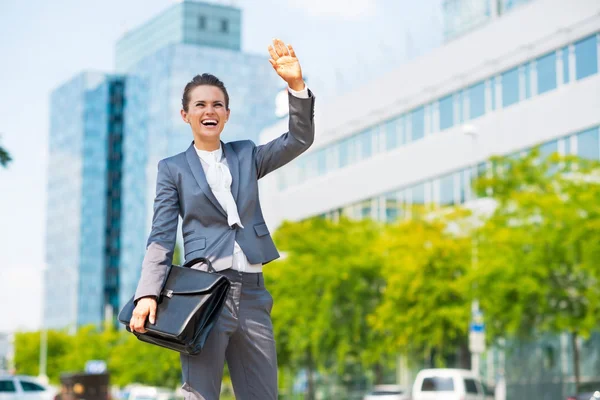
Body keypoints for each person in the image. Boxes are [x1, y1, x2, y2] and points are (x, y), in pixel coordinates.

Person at [129, 38, 315, 400]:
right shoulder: (173, 170)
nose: (208, 110)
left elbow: (298, 139)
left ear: (227, 114)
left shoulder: (247, 154)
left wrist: (296, 86)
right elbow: (161, 236)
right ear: (186, 115)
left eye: (217, 104)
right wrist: (147, 294)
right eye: (199, 104)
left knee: (263, 394)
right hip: (203, 293)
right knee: (199, 394)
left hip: (253, 294)